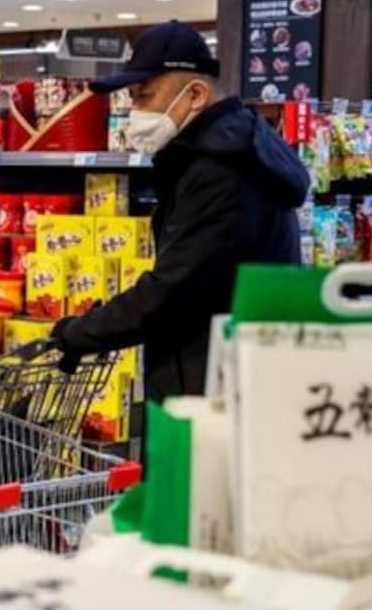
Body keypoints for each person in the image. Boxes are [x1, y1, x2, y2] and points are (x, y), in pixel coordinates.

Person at [53, 21, 309, 400]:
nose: (133, 114)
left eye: (144, 98)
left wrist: (80, 333)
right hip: (235, 370)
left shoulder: (222, 170)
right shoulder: (231, 149)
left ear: (195, 95)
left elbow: (174, 289)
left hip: (216, 387)